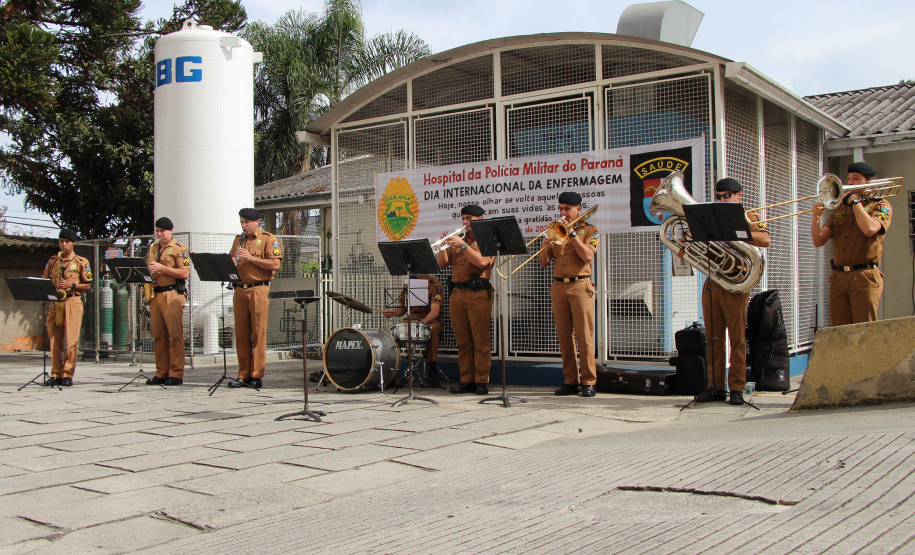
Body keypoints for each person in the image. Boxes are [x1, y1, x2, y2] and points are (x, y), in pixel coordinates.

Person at [695, 178, 770, 405]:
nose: (721, 199)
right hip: (713, 280)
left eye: (726, 195)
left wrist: (734, 234)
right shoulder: (710, 216)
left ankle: (736, 387)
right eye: (718, 196)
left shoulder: (750, 216)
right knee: (713, 336)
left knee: (736, 337)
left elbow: (765, 239)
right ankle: (715, 386)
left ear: (739, 195)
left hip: (735, 281)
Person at [811, 161, 892, 326]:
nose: (851, 182)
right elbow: (819, 240)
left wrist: (855, 203)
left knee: (864, 331)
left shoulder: (880, 205)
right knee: (839, 331)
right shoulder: (841, 208)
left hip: (864, 276)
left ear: (869, 183)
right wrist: (816, 218)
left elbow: (869, 229)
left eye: (856, 178)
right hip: (839, 277)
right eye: (849, 178)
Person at [538, 192, 600, 397]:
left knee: (584, 336)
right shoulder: (556, 230)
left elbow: (588, 255)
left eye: (567, 209)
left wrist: (572, 234)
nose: (563, 212)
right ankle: (571, 381)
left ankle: (589, 381)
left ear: (578, 210)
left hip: (580, 286)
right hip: (558, 287)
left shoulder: (590, 230)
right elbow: (544, 263)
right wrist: (544, 246)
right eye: (561, 208)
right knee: (564, 337)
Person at [436, 204, 495, 395]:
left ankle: (481, 380)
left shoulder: (487, 239)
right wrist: (442, 245)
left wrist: (463, 246)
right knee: (463, 341)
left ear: (480, 219)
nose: (464, 222)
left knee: (480, 340)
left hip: (477, 293)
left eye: (469, 218)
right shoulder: (459, 239)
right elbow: (443, 264)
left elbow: (482, 262)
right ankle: (466, 379)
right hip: (457, 294)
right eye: (463, 218)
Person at [228, 208, 282, 388]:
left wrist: (250, 258)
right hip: (239, 290)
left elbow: (275, 264)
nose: (244, 226)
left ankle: (256, 375)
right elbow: (230, 262)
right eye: (242, 222)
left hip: (258, 289)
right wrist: (232, 263)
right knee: (241, 333)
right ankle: (243, 374)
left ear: (256, 221)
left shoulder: (268, 238)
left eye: (246, 222)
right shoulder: (238, 240)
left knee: (258, 333)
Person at [41, 228, 92, 387]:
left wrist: (72, 285)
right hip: (55, 303)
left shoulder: (81, 262)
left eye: (67, 242)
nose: (63, 245)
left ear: (73, 243)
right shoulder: (53, 261)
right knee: (55, 341)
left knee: (71, 341)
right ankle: (55, 373)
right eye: (61, 241)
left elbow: (88, 285)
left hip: (72, 301)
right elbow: (44, 280)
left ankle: (67, 374)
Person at [146, 217, 190, 386]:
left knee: (175, 335)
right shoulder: (154, 247)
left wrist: (162, 268)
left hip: (172, 293)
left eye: (162, 231)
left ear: (170, 231)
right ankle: (161, 371)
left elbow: (184, 273)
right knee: (158, 335)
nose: (159, 234)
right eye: (157, 231)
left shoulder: (179, 249)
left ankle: (176, 373)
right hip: (156, 294)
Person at [382, 274, 444, 387]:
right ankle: (392, 372)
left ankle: (432, 370)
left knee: (433, 329)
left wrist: (422, 322)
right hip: (411, 318)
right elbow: (402, 308)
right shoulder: (408, 284)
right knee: (395, 330)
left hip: (430, 319)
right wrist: (393, 312)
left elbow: (435, 312)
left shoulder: (435, 284)